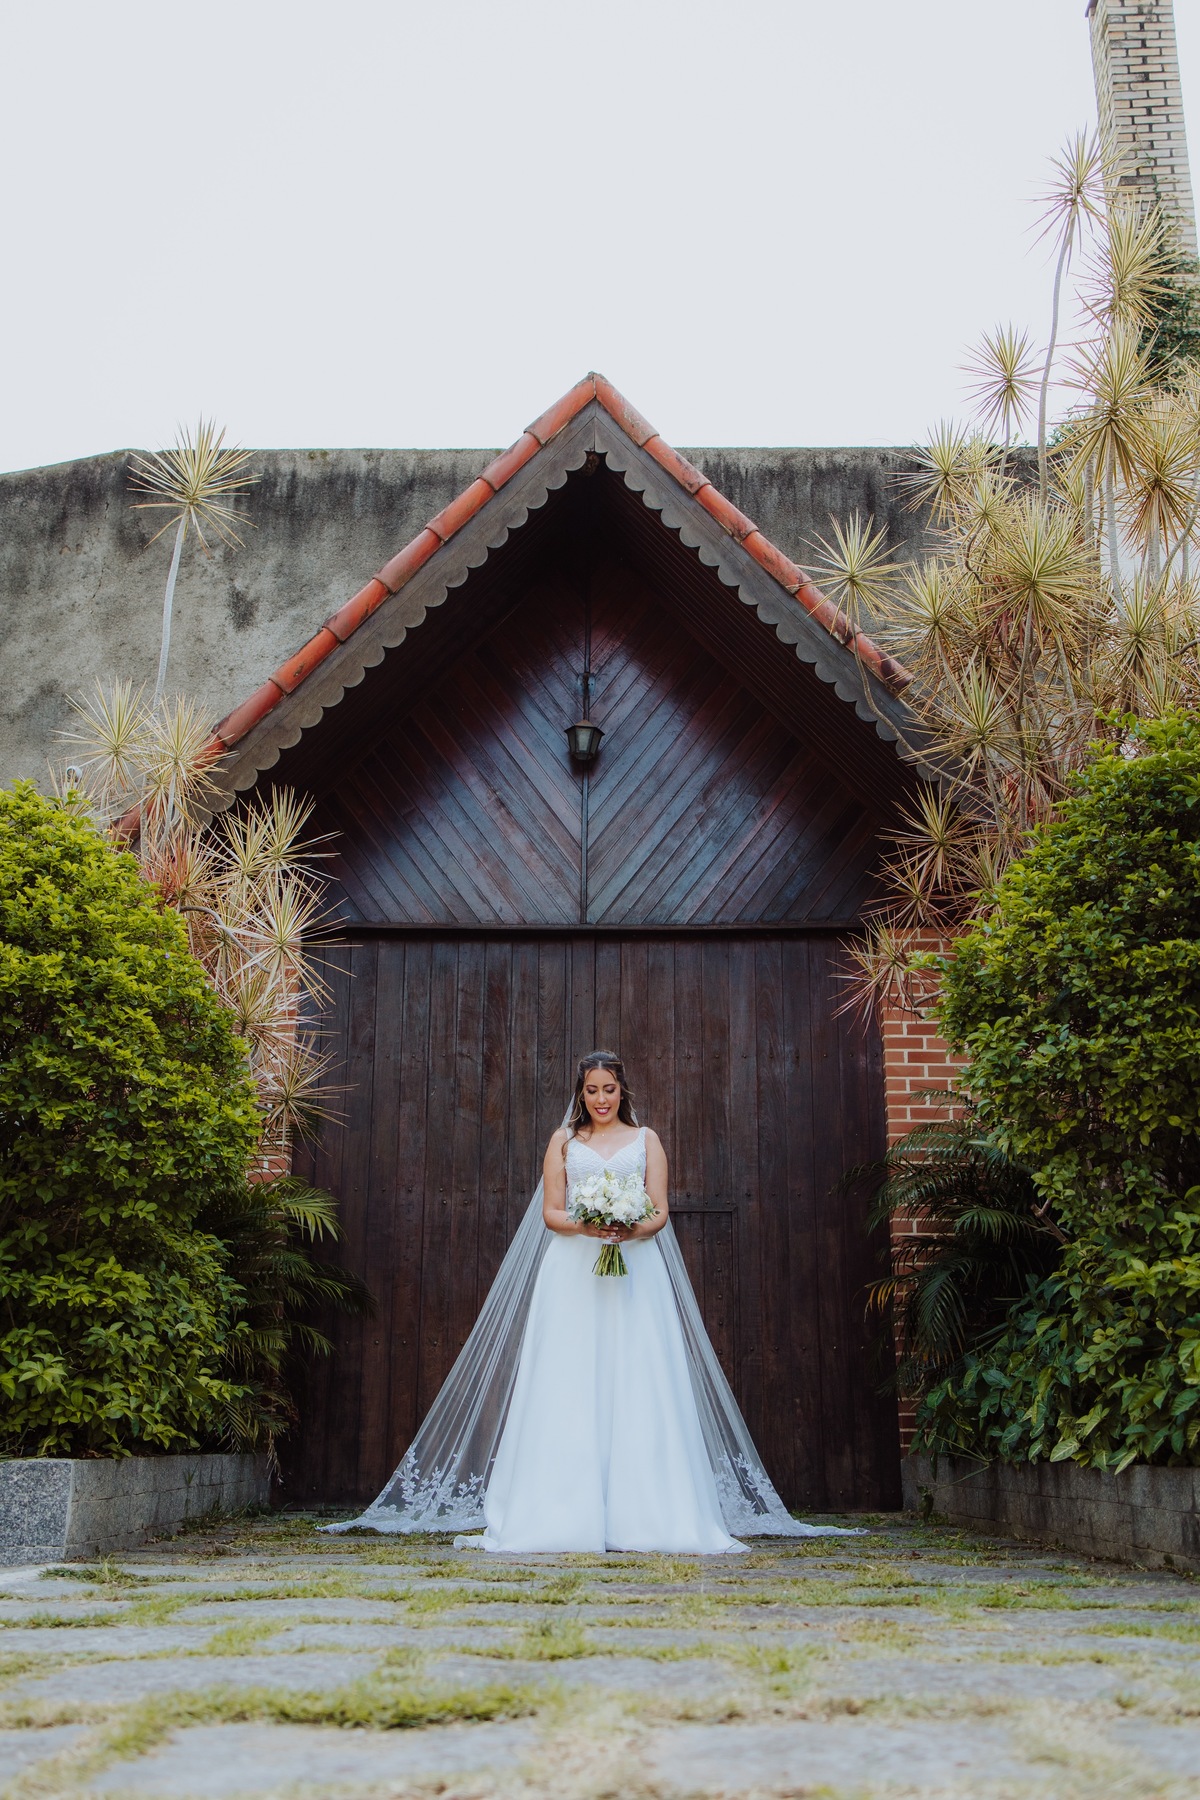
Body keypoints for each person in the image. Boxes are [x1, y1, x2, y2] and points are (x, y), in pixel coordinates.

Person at [325, 1051, 859, 1550]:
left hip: (636, 1271)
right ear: (580, 1094)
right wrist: (592, 1223)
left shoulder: (647, 1139)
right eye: (590, 1091)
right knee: (569, 1379)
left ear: (623, 1089)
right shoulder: (562, 1142)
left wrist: (629, 1229)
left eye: (608, 1089)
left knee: (637, 1375)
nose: (600, 1099)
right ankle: (560, 1512)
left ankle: (648, 1513)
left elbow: (659, 1211)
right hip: (573, 1272)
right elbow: (551, 1213)